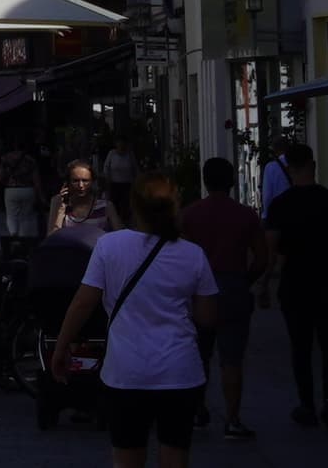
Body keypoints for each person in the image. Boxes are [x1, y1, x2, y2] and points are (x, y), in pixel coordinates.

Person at [52, 173, 219, 468]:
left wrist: (61, 346)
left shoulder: (110, 246)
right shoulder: (193, 254)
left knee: (127, 457)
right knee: (175, 457)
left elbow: (83, 303)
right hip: (179, 372)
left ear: (134, 207)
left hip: (126, 372)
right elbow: (207, 317)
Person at [177, 155, 271, 443]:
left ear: (205, 181)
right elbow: (262, 257)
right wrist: (245, 280)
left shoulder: (191, 214)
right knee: (232, 359)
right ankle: (232, 419)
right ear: (231, 181)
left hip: (200, 289)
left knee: (198, 355)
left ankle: (197, 410)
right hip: (233, 287)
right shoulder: (245, 215)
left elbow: (179, 256)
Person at [261, 140, 328, 432]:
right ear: (313, 165)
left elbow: (271, 251)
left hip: (295, 285)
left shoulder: (281, 206)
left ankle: (307, 405)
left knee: (300, 347)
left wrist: (263, 285)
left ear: (289, 169)